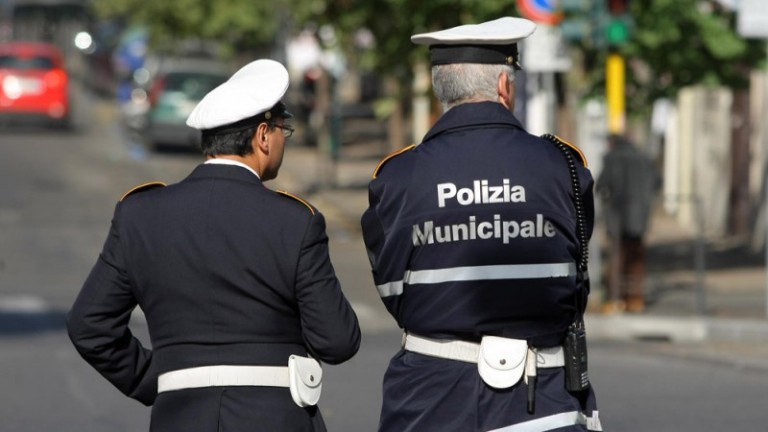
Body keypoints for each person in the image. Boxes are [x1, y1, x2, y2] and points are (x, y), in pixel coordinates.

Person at [67, 59, 361, 432]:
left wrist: (157, 380)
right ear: (263, 136)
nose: (284, 138)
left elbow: (89, 324)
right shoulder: (295, 220)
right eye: (283, 128)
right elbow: (338, 341)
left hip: (179, 417)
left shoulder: (139, 215)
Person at [360, 17, 602, 432]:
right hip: (543, 398)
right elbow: (575, 273)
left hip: (428, 399)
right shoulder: (565, 166)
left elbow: (394, 291)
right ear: (506, 87)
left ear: (439, 90)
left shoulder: (396, 177)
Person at [597, 133, 660, 313]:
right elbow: (657, 182)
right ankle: (636, 299)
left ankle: (615, 300)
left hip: (617, 217)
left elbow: (601, 185)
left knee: (616, 258)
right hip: (639, 217)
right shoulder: (644, 159)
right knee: (637, 260)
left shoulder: (611, 159)